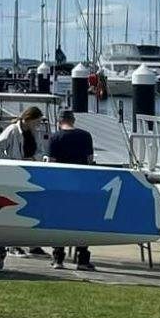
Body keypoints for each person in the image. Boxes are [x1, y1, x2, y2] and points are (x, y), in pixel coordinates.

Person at [0, 106, 45, 269]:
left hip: (30, 173)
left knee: (29, 208)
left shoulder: (35, 133)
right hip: (15, 173)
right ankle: (12, 245)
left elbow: (40, 150)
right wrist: (10, 161)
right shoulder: (12, 130)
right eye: (37, 121)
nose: (38, 125)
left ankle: (31, 244)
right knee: (14, 207)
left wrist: (34, 159)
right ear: (30, 119)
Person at [46, 113, 95, 269]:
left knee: (60, 221)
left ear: (59, 122)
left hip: (61, 185)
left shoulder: (54, 138)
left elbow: (52, 163)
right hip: (81, 185)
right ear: (73, 120)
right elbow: (90, 160)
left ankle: (58, 258)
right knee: (82, 222)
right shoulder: (86, 136)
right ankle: (82, 259)